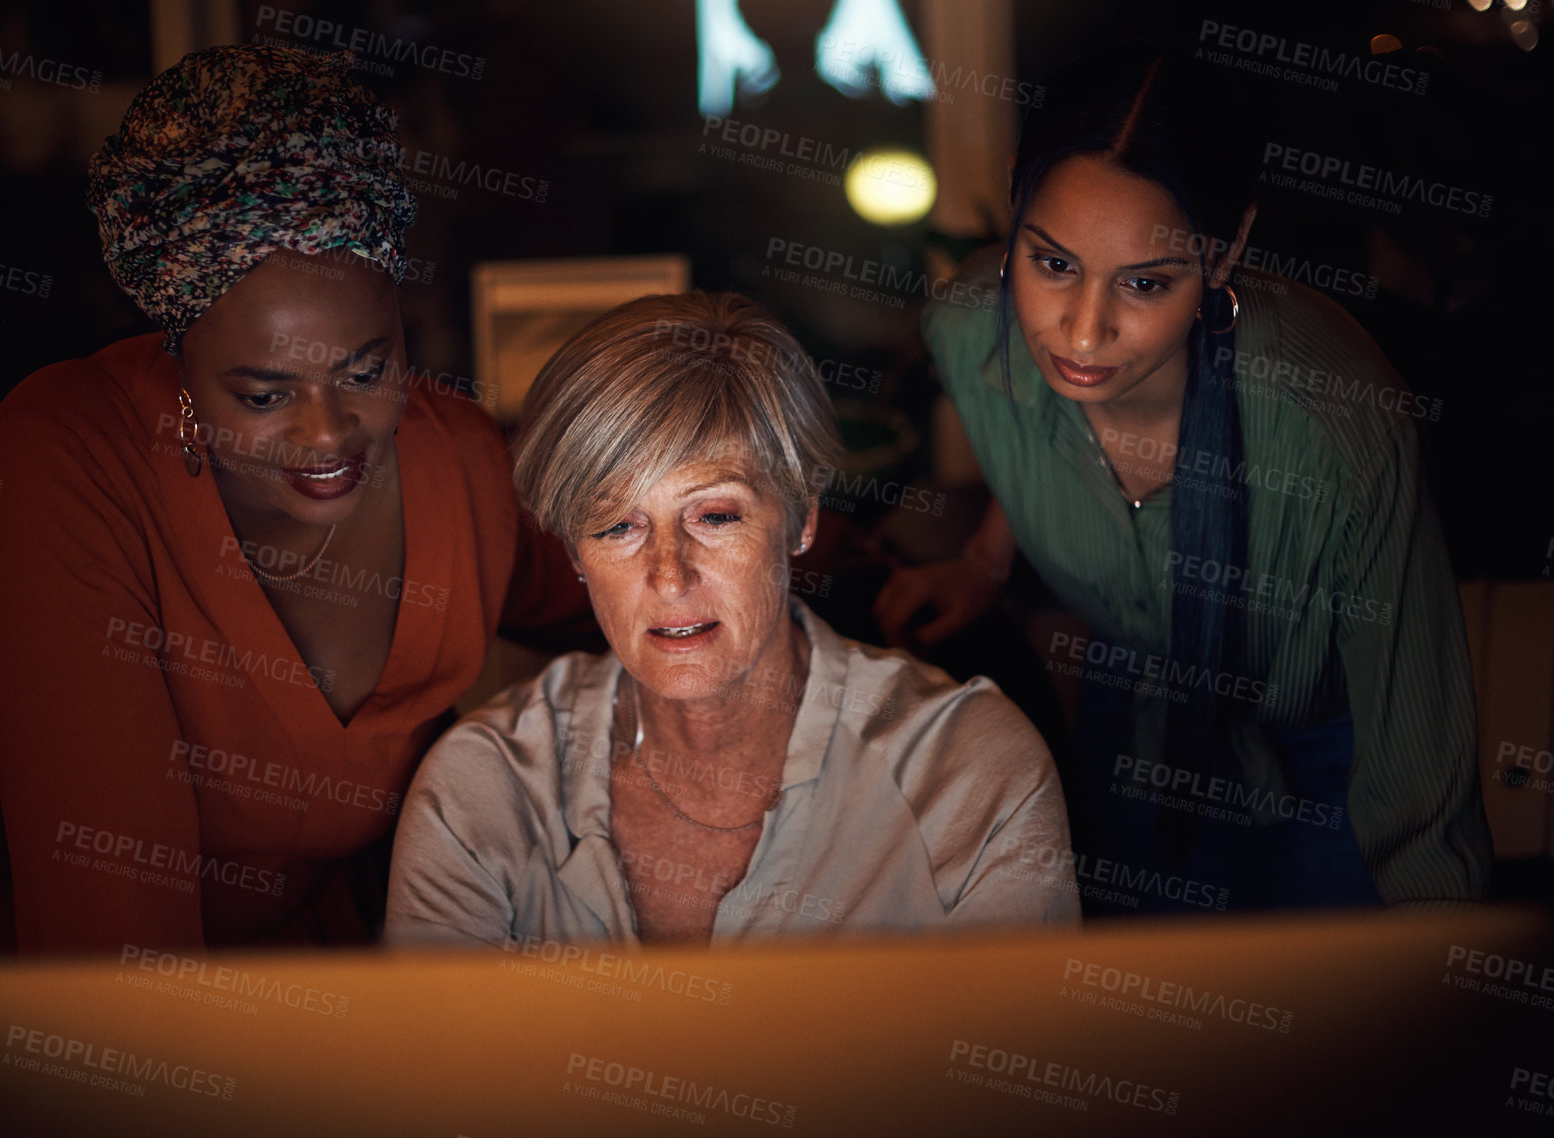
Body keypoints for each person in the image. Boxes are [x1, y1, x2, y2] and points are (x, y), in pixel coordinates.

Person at [0, 44, 591, 954]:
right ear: (179, 366)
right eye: (263, 397)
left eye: (365, 370)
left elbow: (606, 567)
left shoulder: (450, 450)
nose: (329, 434)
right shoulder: (67, 460)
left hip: (412, 961)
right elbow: (110, 920)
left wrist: (828, 560)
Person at [876, 46, 1491, 912]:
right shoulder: (971, 332)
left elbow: (1415, 755)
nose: (1081, 335)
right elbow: (1031, 444)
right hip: (1136, 715)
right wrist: (982, 564)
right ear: (1015, 199)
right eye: (1052, 264)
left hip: (1322, 754)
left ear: (1229, 242)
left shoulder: (1333, 421)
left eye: (1145, 283)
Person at [385, 292, 1079, 946]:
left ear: (802, 517)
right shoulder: (481, 790)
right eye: (615, 527)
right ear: (571, 548)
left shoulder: (971, 774)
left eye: (715, 516)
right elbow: (445, 1069)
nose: (668, 573)